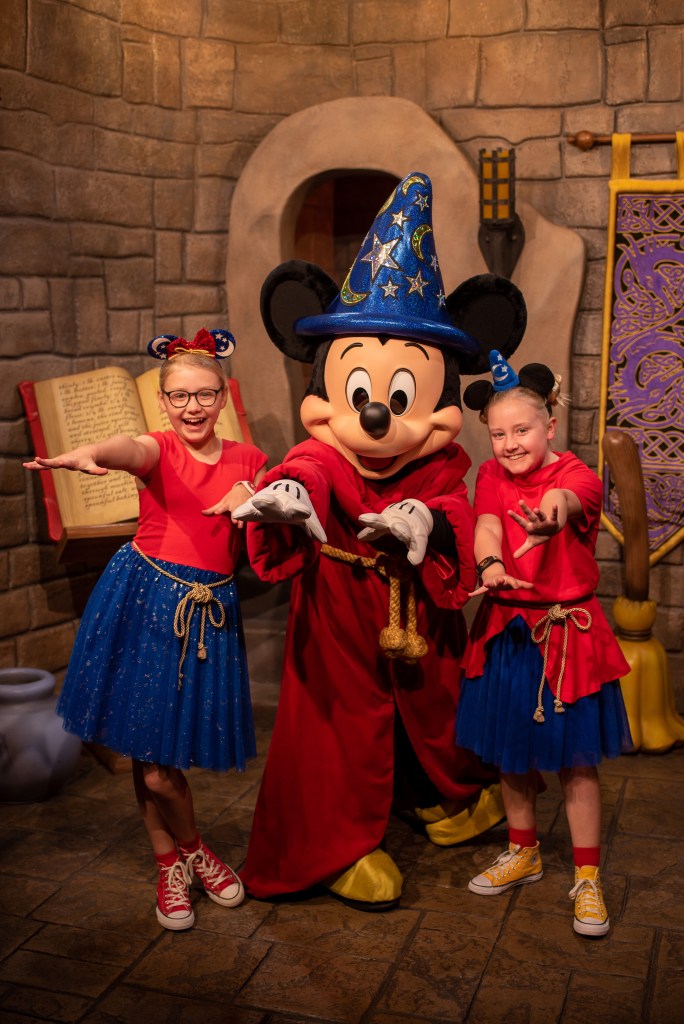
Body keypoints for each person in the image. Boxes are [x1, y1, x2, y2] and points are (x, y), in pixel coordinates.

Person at [232, 172, 528, 910]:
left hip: (415, 610)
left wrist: (428, 520)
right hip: (337, 613)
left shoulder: (441, 464)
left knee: (431, 702)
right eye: (361, 395)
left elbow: (452, 504)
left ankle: (439, 798)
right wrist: (289, 495)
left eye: (397, 399)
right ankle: (333, 845)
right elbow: (310, 468)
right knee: (338, 722)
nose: (375, 417)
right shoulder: (324, 454)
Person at [24, 328, 267, 931]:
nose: (192, 407)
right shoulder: (158, 446)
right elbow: (129, 449)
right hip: (148, 599)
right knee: (154, 759)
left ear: (222, 398)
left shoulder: (248, 459)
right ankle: (192, 855)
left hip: (209, 612)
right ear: (162, 402)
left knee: (152, 746)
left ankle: (170, 862)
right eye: (179, 396)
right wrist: (93, 453)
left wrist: (251, 490)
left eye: (204, 395)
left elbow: (274, 493)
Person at [456, 351, 632, 938]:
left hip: (566, 633)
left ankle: (587, 875)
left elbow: (566, 502)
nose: (509, 444)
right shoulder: (490, 475)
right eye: (498, 433)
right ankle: (524, 850)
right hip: (508, 628)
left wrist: (548, 520)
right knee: (510, 752)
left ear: (549, 426)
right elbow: (486, 523)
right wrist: (490, 563)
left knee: (577, 762)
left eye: (521, 431)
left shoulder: (577, 474)